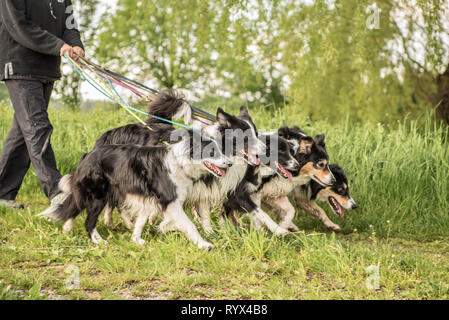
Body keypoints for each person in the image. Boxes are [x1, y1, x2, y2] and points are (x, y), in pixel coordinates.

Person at [0, 0, 84, 209]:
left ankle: (2, 193)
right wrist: (58, 46)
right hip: (19, 65)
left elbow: (69, 24)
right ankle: (57, 192)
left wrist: (76, 45)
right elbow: (18, 25)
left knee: (22, 132)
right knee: (38, 127)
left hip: (47, 68)